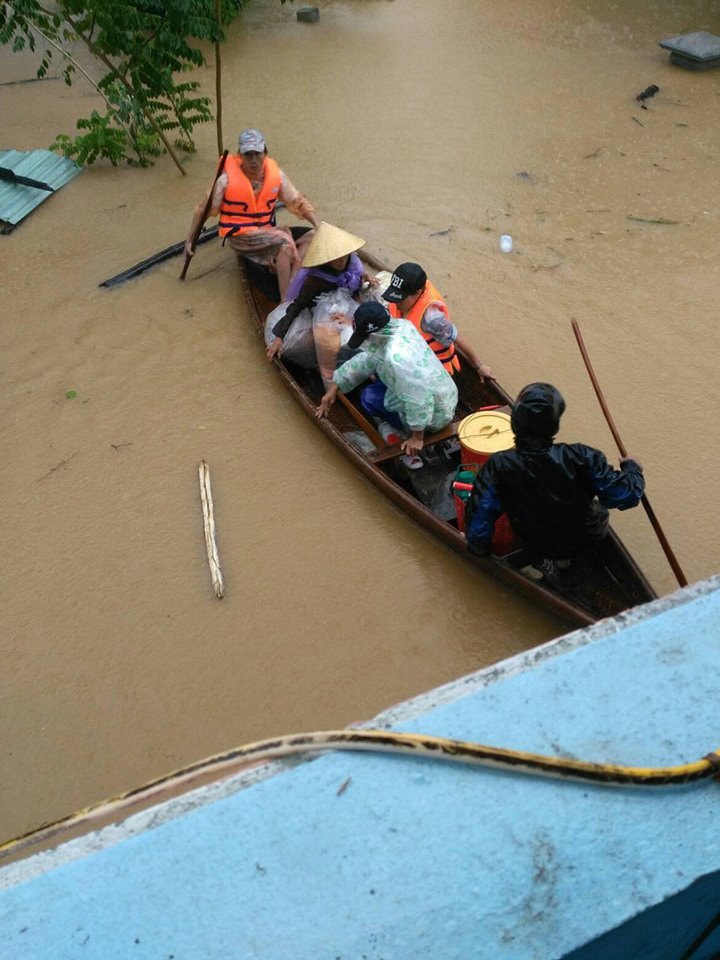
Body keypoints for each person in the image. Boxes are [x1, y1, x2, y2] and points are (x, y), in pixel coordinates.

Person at [465, 382, 645, 575]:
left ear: (515, 423)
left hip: (535, 539)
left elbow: (479, 521)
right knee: (596, 511)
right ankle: (564, 563)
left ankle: (551, 562)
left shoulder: (498, 466)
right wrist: (632, 469)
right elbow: (626, 494)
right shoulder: (582, 457)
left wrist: (479, 551)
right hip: (585, 537)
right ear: (554, 425)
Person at [316, 301, 459, 468]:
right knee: (379, 380)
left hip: (435, 415)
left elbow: (419, 398)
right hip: (446, 393)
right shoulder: (401, 325)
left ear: (374, 333)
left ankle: (397, 433)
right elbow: (368, 358)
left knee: (369, 397)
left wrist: (417, 437)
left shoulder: (396, 358)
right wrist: (335, 386)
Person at [184, 128, 319, 298]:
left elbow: (297, 201)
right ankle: (285, 303)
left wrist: (317, 224)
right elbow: (203, 210)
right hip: (241, 235)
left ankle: (292, 279)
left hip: (267, 231)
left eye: (258, 153)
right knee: (284, 244)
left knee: (313, 235)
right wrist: (190, 240)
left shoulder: (276, 175)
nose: (254, 160)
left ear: (265, 153)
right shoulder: (225, 181)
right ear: (240, 155)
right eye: (248, 155)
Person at [266, 222, 369, 362]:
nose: (342, 261)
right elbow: (296, 306)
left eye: (344, 256)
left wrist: (366, 277)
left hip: (345, 306)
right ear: (326, 260)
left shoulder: (352, 262)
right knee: (321, 339)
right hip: (320, 311)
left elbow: (357, 287)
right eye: (337, 258)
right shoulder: (315, 280)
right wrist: (279, 337)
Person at [382, 262, 494, 382]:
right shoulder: (400, 298)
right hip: (413, 357)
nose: (396, 302)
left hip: (435, 371)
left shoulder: (432, 319)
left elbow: (458, 338)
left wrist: (479, 366)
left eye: (400, 298)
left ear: (418, 292)